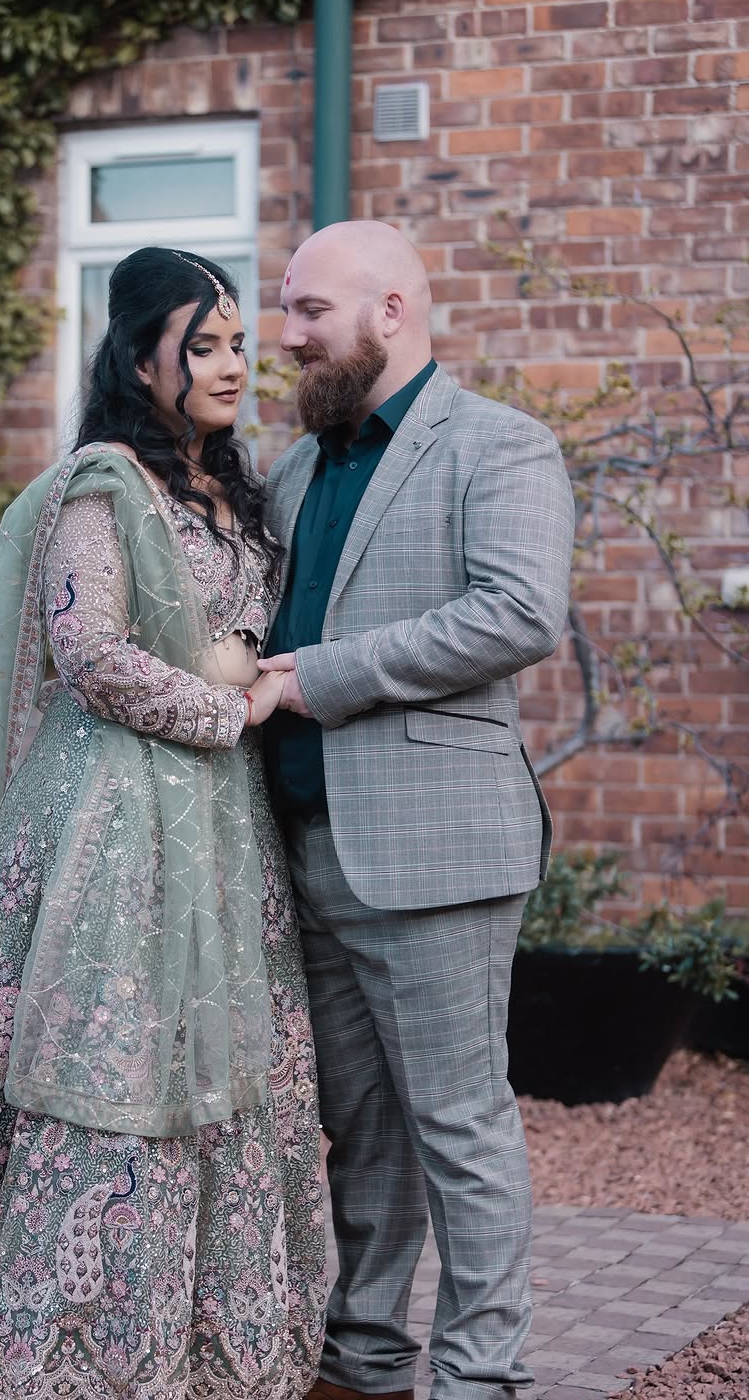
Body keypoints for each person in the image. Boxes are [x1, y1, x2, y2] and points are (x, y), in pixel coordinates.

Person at [0, 248, 326, 1400]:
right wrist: (228, 705)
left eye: (240, 342)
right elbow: (89, 654)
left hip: (217, 826)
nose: (232, 364)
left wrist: (247, 687)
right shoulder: (104, 485)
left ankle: (203, 1355)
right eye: (203, 343)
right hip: (114, 822)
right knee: (108, 1070)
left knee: (217, 1072)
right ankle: (60, 1358)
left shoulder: (230, 484)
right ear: (138, 352)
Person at [257, 220, 576, 1400]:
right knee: (362, 1131)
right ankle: (366, 1358)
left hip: (439, 852)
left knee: (460, 1129)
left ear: (392, 311)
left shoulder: (500, 446)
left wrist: (313, 675)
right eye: (285, 311)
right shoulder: (294, 469)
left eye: (308, 312)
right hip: (304, 847)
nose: (287, 337)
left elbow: (516, 613)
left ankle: (482, 1378)